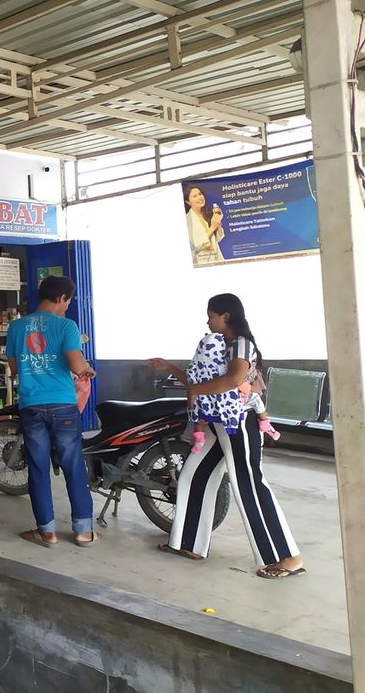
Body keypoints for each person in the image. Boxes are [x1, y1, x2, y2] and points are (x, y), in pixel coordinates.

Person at [148, 293, 304, 579]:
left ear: (226, 316)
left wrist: (196, 391)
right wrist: (170, 368)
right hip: (216, 423)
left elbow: (233, 380)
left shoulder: (241, 345)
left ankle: (287, 557)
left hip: (239, 421)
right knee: (193, 476)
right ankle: (188, 544)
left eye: (211, 315)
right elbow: (202, 382)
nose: (208, 320)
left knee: (249, 485)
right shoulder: (219, 346)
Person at [6, 275, 98, 548]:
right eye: (67, 301)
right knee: (72, 464)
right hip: (62, 404)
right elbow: (77, 364)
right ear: (61, 298)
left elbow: (14, 369)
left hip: (31, 405)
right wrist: (86, 370)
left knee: (37, 467)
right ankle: (83, 531)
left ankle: (47, 533)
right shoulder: (66, 326)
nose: (67, 306)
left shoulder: (16, 327)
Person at [186, 332, 245, 453]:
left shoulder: (194, 365)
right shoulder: (224, 364)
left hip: (202, 400)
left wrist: (191, 402)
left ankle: (198, 439)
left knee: (199, 420)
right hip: (222, 403)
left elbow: (190, 381)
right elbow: (233, 382)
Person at [184, 185, 225, 265]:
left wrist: (218, 223)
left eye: (200, 194)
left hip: (218, 260)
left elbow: (218, 238)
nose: (200, 197)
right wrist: (212, 227)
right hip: (202, 263)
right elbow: (196, 244)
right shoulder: (187, 220)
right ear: (188, 202)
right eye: (195, 196)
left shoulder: (208, 213)